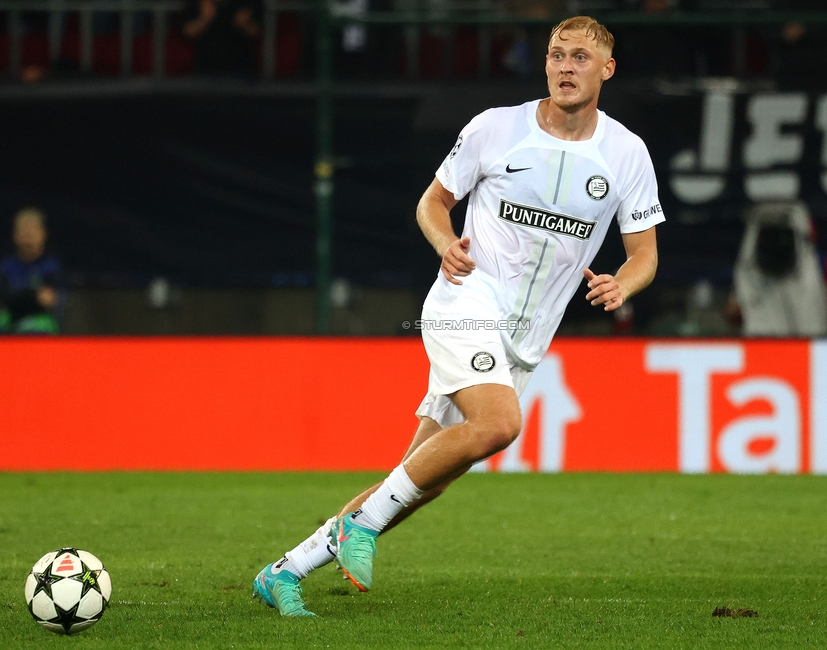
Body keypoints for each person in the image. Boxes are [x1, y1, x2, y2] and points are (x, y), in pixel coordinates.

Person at [252, 15, 664, 617]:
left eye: (580, 57)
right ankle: (354, 530)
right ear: (544, 63)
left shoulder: (626, 153)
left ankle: (284, 571)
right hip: (465, 301)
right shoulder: (496, 129)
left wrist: (621, 286)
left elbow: (645, 254)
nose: (566, 67)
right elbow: (433, 203)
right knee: (499, 424)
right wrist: (445, 241)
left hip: (525, 338)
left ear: (607, 69)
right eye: (556, 55)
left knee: (422, 479)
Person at [726, 201, 827, 337]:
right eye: (769, 237)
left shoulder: (815, 265)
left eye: (783, 236)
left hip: (802, 344)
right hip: (764, 346)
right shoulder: (748, 271)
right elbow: (732, 312)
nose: (775, 242)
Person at [0, 207, 64, 335]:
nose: (28, 239)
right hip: (10, 324)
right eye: (23, 233)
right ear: (15, 235)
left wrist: (20, 297)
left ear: (43, 234)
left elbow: (50, 300)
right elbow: (2, 299)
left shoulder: (52, 267)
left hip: (42, 328)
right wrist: (33, 296)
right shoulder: (5, 267)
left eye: (32, 233)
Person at [182, 0, 261, 77]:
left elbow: (258, 32)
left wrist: (245, 24)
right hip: (204, 69)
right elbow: (187, 32)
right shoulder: (199, 2)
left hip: (241, 70)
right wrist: (204, 19)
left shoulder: (246, 2)